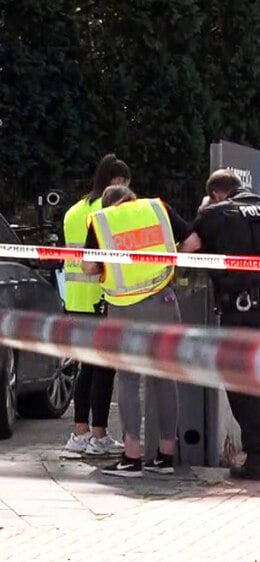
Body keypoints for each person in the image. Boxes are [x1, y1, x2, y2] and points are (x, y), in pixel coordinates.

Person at [179, 170, 260, 480]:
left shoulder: (218, 212)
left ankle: (257, 456)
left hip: (243, 307)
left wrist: (204, 211)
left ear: (216, 193)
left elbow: (190, 246)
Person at [81, 185, 190, 477]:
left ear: (108, 204)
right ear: (131, 197)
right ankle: (165, 457)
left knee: (129, 379)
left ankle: (131, 457)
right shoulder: (157, 208)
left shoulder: (103, 220)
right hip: (164, 301)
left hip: (125, 307)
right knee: (165, 378)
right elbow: (193, 242)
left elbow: (89, 267)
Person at [61, 155, 129, 456]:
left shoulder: (74, 211)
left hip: (75, 300)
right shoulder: (107, 211)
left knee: (86, 368)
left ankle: (80, 432)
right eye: (125, 184)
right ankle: (99, 435)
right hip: (102, 298)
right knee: (103, 369)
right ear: (116, 181)